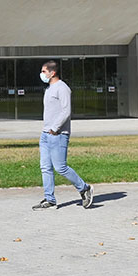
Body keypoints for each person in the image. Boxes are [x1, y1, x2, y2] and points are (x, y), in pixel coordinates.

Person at [33, 60, 94, 210]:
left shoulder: (62, 88)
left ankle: (84, 188)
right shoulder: (49, 88)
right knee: (45, 167)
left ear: (52, 72)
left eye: (44, 71)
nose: (41, 74)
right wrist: (47, 130)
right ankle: (50, 199)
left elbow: (66, 111)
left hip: (58, 134)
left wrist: (55, 128)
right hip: (45, 134)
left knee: (60, 167)